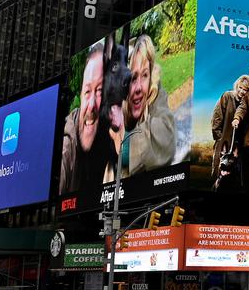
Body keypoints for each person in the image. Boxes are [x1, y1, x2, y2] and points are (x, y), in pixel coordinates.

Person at [111, 34, 177, 178]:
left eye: (145, 75)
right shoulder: (117, 100)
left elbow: (167, 135)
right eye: (134, 78)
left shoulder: (155, 92)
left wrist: (127, 143)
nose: (139, 87)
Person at [59, 43, 110, 195]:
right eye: (87, 91)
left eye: (100, 91)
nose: (91, 105)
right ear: (80, 95)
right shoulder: (66, 147)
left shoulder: (112, 132)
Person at [210, 75, 249, 190]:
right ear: (237, 86)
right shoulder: (227, 96)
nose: (242, 91)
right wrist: (219, 138)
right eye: (240, 88)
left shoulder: (246, 104)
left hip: (239, 146)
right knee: (219, 172)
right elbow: (216, 117)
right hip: (224, 142)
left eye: (245, 90)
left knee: (236, 176)